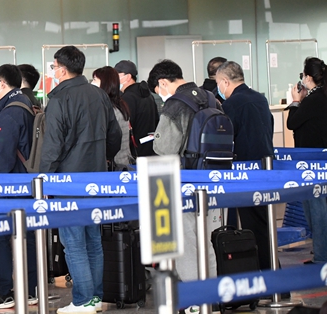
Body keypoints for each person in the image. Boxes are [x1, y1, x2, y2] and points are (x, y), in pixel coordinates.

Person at [40, 46, 121, 314]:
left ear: (63, 70)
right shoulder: (99, 94)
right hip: (96, 177)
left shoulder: (59, 99)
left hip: (68, 182)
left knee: (74, 243)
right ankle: (95, 297)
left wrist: (44, 179)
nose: (53, 71)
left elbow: (53, 146)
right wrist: (103, 158)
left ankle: (83, 300)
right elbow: (114, 135)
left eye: (54, 67)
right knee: (93, 241)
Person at [147, 59, 220, 314]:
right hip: (212, 179)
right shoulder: (210, 97)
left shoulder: (175, 104)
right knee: (207, 241)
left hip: (185, 180)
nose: (160, 95)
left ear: (163, 83)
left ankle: (195, 300)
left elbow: (164, 148)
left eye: (158, 90)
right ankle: (211, 297)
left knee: (186, 244)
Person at [0, 64, 37, 310]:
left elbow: (3, 157)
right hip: (28, 183)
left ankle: (4, 291)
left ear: (2, 83)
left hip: (11, 185)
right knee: (29, 237)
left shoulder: (9, 113)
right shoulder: (27, 104)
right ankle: (31, 289)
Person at [215, 61, 275, 270]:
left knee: (252, 225)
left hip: (245, 171)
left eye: (218, 84)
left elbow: (226, 137)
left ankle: (263, 273)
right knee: (264, 224)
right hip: (265, 166)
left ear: (225, 81)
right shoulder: (260, 98)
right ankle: (273, 270)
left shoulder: (231, 104)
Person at [287, 57, 327, 264]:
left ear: (308, 77)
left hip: (311, 161)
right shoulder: (321, 96)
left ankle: (321, 255)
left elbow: (292, 123)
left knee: (316, 208)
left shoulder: (313, 100)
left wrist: (295, 101)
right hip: (321, 158)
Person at [114, 60, 158, 158]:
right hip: (150, 148)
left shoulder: (127, 98)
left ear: (128, 77)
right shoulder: (147, 94)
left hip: (134, 151)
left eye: (117, 75)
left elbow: (124, 127)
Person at [92, 66, 133, 169]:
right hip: (123, 160)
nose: (92, 83)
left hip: (114, 164)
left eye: (95, 80)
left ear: (105, 83)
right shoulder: (120, 105)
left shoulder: (108, 109)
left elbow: (112, 139)